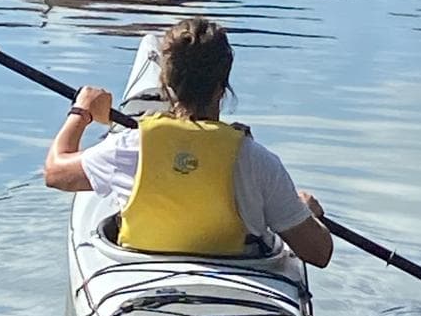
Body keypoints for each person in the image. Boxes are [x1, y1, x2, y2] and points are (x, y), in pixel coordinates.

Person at [43, 18, 333, 267]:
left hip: (138, 276)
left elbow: (56, 174)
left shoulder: (129, 147)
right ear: (222, 89)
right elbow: (319, 254)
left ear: (166, 85)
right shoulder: (257, 161)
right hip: (238, 285)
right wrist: (308, 213)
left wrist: (81, 111)